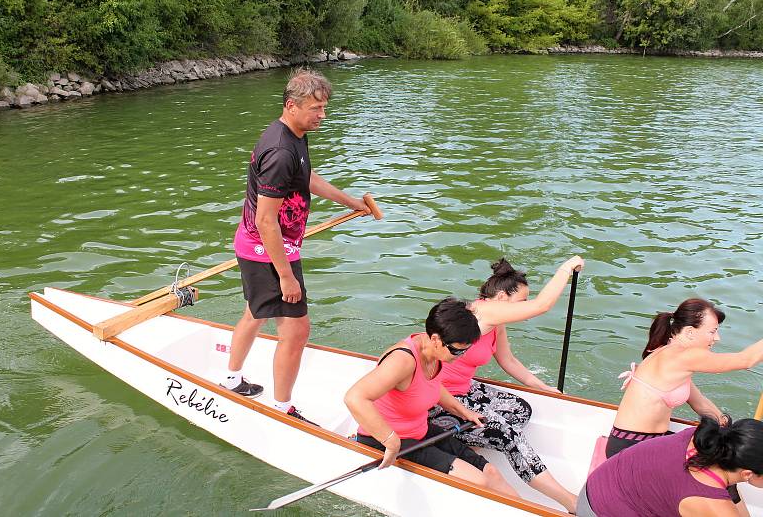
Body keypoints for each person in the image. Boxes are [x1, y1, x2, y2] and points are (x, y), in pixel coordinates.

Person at [221, 68, 370, 423]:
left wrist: (349, 202)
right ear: (291, 105)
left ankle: (231, 378)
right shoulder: (280, 152)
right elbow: (265, 221)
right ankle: (282, 407)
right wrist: (286, 277)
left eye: (324, 107)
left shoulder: (293, 136)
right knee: (297, 330)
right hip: (267, 250)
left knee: (255, 312)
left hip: (265, 247)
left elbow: (307, 178)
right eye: (316, 108)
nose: (323, 115)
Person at [429, 256, 583, 513]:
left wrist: (543, 388)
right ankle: (570, 502)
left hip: (464, 388)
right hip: (440, 398)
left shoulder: (496, 322)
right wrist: (566, 268)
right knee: (508, 435)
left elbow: (508, 360)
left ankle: (463, 444)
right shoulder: (483, 311)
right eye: (521, 301)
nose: (524, 308)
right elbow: (543, 306)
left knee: (521, 409)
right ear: (501, 296)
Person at [344, 297, 518, 496]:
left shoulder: (435, 354)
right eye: (456, 351)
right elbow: (355, 397)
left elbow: (431, 385)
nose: (459, 356)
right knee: (478, 481)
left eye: (465, 351)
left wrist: (463, 411)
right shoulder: (403, 360)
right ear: (435, 339)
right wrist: (391, 441)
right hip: (388, 440)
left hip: (421, 431)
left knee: (490, 472)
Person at [606, 297, 763, 513]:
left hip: (648, 441)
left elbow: (701, 404)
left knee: (723, 454)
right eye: (712, 331)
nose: (717, 338)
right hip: (630, 447)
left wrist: (729, 429)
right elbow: (746, 360)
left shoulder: (672, 353)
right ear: (689, 332)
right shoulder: (682, 356)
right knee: (718, 467)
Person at [577, 415, 763, 517]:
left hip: (596, 488)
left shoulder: (705, 441)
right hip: (599, 511)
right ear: (747, 473)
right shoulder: (712, 503)